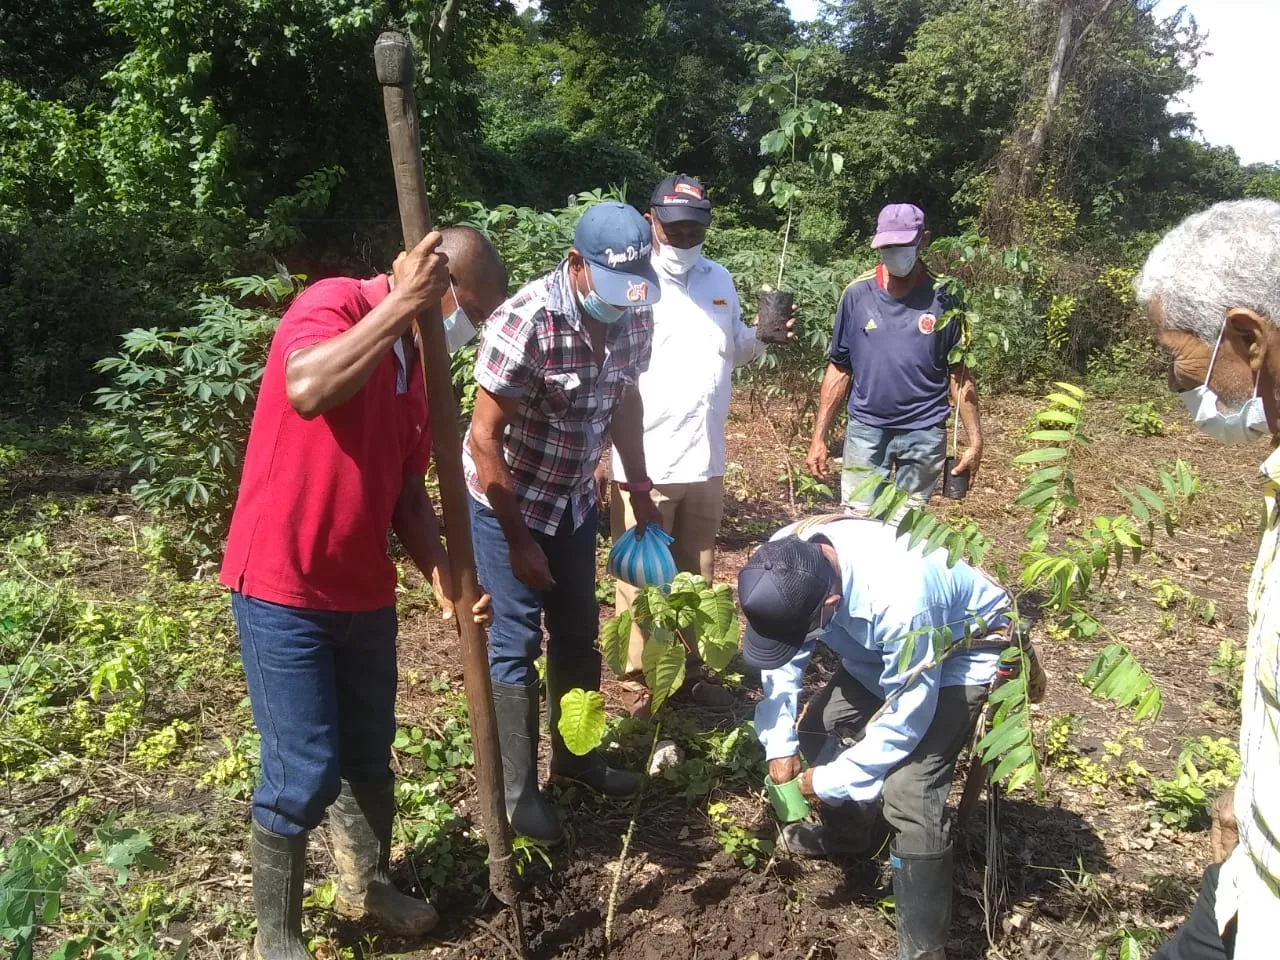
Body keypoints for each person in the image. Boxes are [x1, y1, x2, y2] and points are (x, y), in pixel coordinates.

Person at [219, 226, 508, 960]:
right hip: (283, 585)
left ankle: (367, 884)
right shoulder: (336, 303)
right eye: (466, 312)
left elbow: (408, 496)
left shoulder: (418, 368)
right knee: (302, 773)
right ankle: (276, 939)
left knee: (369, 756)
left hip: (362, 593)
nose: (465, 332)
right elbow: (308, 387)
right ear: (435, 290)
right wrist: (398, 309)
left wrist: (443, 576)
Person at [464, 201, 664, 845]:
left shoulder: (634, 309)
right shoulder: (525, 322)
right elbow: (483, 439)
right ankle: (520, 793)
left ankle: (578, 762)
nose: (622, 303)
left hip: (575, 497)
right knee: (517, 636)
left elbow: (624, 400)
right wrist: (520, 541)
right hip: (508, 501)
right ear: (576, 265)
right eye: (609, 288)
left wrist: (637, 484)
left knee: (578, 627)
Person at [738, 514, 1016, 960]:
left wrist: (828, 781)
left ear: (829, 604)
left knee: (910, 791)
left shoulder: (902, 597)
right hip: (877, 654)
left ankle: (923, 950)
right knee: (815, 730)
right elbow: (783, 660)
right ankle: (852, 835)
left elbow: (907, 715)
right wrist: (780, 744)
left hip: (960, 656)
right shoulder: (783, 559)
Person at [1134, 199, 1280, 960]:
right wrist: (1250, 795)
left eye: (1179, 350)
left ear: (1249, 337)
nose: (1177, 377)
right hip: (1249, 870)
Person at [602, 173, 793, 717]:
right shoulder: (630, 284)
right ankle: (639, 679)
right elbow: (610, 372)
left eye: (695, 230)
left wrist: (761, 336)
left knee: (696, 574)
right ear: (651, 221)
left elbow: (731, 351)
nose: (686, 239)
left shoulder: (719, 280)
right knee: (641, 577)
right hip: (646, 460)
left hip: (705, 457)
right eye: (676, 228)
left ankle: (688, 671)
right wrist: (603, 452)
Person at [805, 202, 982, 511]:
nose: (894, 252)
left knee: (906, 530)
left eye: (903, 245)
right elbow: (839, 369)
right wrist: (819, 437)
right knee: (858, 521)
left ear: (923, 241)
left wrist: (975, 442)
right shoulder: (857, 295)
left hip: (924, 432)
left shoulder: (948, 297)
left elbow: (961, 374)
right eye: (887, 245)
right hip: (866, 430)